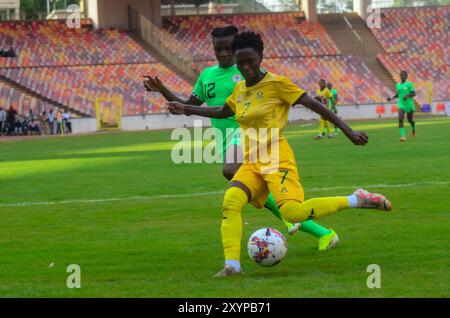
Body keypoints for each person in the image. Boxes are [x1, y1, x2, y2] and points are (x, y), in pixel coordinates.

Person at [167, 31, 392, 277]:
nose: (245, 67)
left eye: (250, 61)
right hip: (252, 161)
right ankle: (232, 266)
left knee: (292, 213)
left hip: (276, 158)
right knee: (231, 201)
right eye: (240, 62)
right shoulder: (240, 88)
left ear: (261, 57)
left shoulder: (277, 84)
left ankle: (356, 199)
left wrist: (348, 131)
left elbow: (314, 104)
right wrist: (186, 108)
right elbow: (223, 111)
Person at [144, 26, 339, 251]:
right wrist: (162, 90)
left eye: (228, 48)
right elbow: (188, 104)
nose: (224, 53)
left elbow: (274, 90)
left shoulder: (245, 69)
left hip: (247, 135)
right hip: (224, 139)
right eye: (219, 49)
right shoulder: (207, 76)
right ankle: (320, 231)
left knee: (230, 170)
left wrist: (308, 98)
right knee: (250, 188)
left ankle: (292, 218)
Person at [387, 71, 416, 141]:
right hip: (401, 104)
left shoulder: (409, 84)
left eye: (404, 75)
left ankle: (414, 129)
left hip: (409, 104)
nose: (403, 76)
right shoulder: (398, 85)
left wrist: (407, 95)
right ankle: (403, 136)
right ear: (400, 76)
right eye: (401, 75)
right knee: (400, 119)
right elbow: (398, 94)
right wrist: (391, 98)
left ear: (406, 76)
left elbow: (414, 93)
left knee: (410, 120)